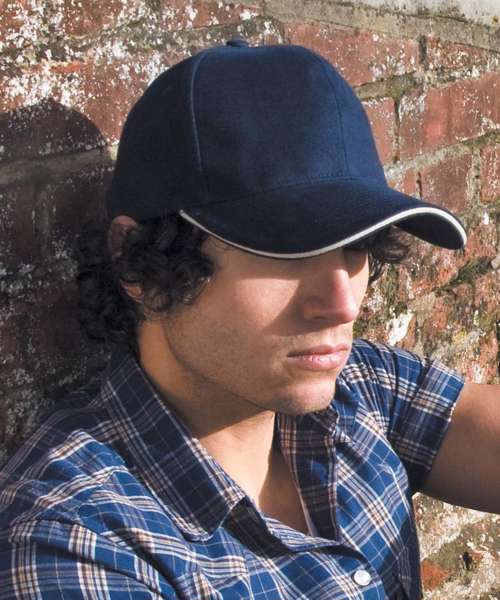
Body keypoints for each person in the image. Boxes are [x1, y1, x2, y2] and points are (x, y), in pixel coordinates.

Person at [0, 37, 497, 600]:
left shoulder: (362, 388)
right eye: (286, 251)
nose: (342, 304)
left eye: (357, 246)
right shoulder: (79, 545)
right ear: (139, 262)